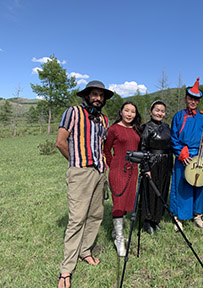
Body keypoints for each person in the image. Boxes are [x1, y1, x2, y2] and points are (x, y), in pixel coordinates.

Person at [56, 80, 114, 288]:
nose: (98, 98)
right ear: (87, 96)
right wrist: (75, 163)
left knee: (96, 215)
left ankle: (85, 251)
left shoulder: (104, 119)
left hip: (99, 172)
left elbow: (102, 145)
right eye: (95, 94)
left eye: (101, 95)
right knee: (77, 219)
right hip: (80, 172)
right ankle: (66, 269)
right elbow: (60, 141)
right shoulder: (73, 112)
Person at [170, 77, 203, 232]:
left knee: (199, 185)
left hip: (199, 156)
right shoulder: (178, 116)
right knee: (181, 186)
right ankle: (179, 216)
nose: (193, 101)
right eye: (190, 98)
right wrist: (182, 153)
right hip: (184, 157)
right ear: (186, 99)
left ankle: (197, 215)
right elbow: (173, 137)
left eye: (196, 99)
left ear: (198, 101)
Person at [104, 101, 142, 256]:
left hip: (133, 170)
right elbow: (106, 150)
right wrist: (113, 165)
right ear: (121, 112)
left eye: (132, 111)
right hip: (118, 169)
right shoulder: (113, 129)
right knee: (119, 203)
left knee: (127, 202)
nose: (129, 114)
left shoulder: (136, 130)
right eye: (126, 110)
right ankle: (119, 239)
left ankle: (116, 230)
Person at [140, 100, 173, 234]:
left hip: (165, 162)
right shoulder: (146, 127)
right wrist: (146, 168)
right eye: (157, 110)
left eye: (162, 111)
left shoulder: (166, 126)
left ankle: (156, 219)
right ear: (151, 111)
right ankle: (147, 222)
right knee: (150, 191)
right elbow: (142, 148)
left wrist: (170, 165)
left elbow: (170, 147)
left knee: (162, 191)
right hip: (152, 161)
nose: (160, 113)